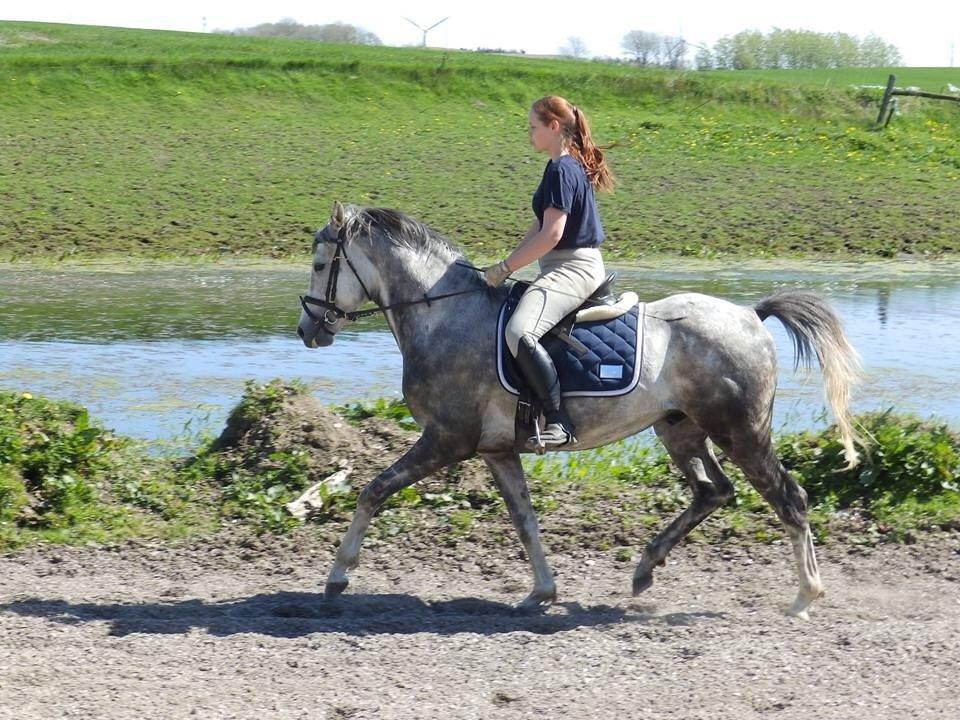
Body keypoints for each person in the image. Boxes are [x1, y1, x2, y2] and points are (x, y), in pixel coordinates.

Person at [482, 95, 615, 450]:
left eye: (533, 127)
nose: (529, 134)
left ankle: (559, 420)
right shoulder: (560, 166)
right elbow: (540, 227)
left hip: (573, 268)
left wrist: (507, 268)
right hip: (562, 265)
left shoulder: (561, 169)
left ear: (554, 127)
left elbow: (553, 235)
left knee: (519, 332)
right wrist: (501, 265)